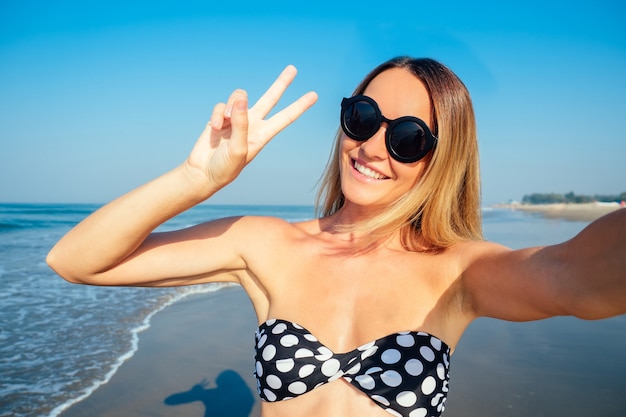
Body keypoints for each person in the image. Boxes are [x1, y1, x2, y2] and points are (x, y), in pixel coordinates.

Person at [47, 56, 626, 417]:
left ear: (441, 159)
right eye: (363, 117)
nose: (373, 146)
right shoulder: (266, 244)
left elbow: (582, 278)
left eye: (406, 138)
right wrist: (194, 180)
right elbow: (76, 261)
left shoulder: (462, 270)